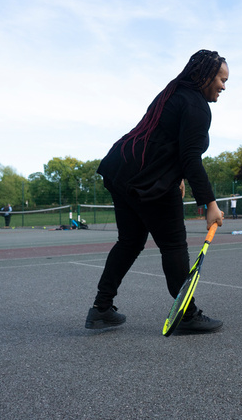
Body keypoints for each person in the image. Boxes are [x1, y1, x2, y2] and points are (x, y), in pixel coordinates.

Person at [85, 50, 228, 333]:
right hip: (146, 181)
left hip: (120, 169)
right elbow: (190, 157)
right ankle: (186, 315)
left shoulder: (172, 93)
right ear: (204, 76)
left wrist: (175, 175)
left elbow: (161, 140)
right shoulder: (198, 106)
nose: (224, 86)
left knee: (129, 242)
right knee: (173, 245)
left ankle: (101, 309)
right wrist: (210, 204)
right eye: (221, 79)